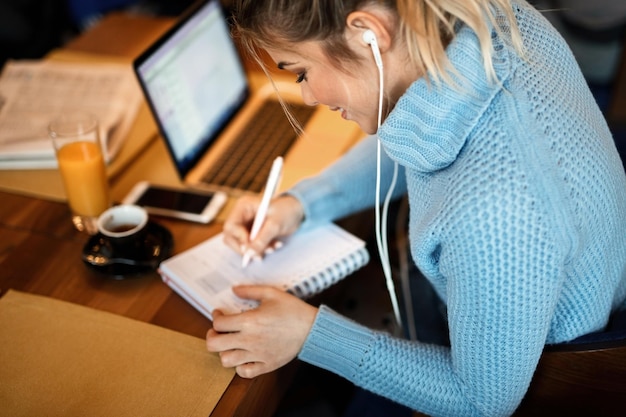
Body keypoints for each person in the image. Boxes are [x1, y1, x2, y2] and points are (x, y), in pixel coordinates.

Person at [205, 0, 626, 416]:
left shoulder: (494, 213)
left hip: (525, 370)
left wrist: (310, 335)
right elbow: (425, 126)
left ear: (368, 31)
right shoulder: (497, 20)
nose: (308, 95)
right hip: (496, 302)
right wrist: (302, 202)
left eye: (301, 72)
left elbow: (481, 403)